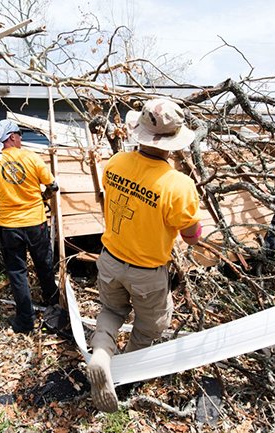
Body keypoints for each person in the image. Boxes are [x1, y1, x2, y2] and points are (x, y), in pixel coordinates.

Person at [86, 99, 203, 412]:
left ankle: (101, 353)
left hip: (110, 259)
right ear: (173, 143)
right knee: (151, 326)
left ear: (139, 130)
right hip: (147, 273)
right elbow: (191, 236)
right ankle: (124, 376)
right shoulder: (179, 185)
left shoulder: (115, 164)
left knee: (111, 310)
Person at [0, 119, 60, 334]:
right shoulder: (31, 158)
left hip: (9, 226)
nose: (21, 139)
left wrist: (7, 200)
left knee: (17, 273)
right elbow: (53, 185)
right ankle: (55, 308)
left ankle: (25, 321)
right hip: (36, 222)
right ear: (11, 137)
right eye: (19, 135)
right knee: (44, 265)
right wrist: (42, 197)